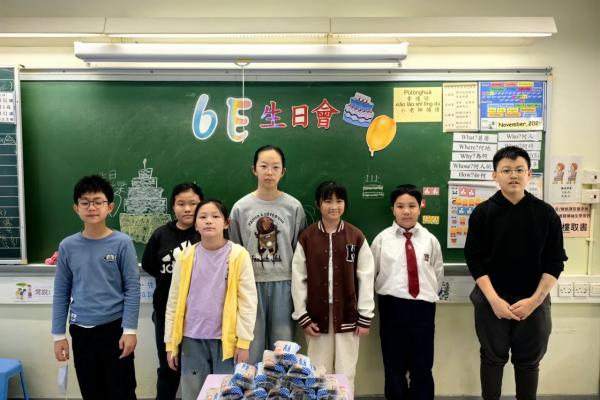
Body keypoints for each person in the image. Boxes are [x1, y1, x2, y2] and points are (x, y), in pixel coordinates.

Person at [465, 146, 567, 400]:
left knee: (529, 362)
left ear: (529, 174)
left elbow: (555, 262)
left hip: (534, 300)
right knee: (492, 358)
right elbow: (474, 260)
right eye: (506, 170)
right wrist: (494, 300)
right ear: (495, 176)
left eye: (519, 170)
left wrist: (534, 301)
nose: (513, 175)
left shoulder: (546, 213)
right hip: (491, 300)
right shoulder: (482, 213)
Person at [52, 175, 140, 400]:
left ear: (110, 207)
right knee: (91, 392)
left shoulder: (122, 243)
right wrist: (58, 335)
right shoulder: (67, 246)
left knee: (122, 392)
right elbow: (61, 293)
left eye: (98, 201)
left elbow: (132, 288)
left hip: (115, 330)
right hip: (81, 331)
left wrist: (130, 331)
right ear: (76, 208)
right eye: (85, 202)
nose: (91, 207)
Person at [164, 199, 257, 400]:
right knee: (194, 394)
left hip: (226, 340)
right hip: (191, 338)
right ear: (196, 225)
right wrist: (171, 344)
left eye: (215, 216)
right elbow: (173, 301)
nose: (208, 221)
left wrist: (244, 342)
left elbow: (248, 302)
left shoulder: (238, 255)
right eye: (203, 217)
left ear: (226, 223)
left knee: (226, 394)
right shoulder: (185, 256)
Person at [291, 181, 374, 390]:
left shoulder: (355, 236)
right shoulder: (307, 237)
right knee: (318, 371)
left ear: (345, 204)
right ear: (318, 204)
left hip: (348, 314)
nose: (334, 206)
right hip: (316, 317)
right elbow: (298, 278)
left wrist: (365, 316)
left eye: (339, 201)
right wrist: (302, 315)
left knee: (346, 371)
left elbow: (366, 276)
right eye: (328, 201)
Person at [229, 144, 306, 364]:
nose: (269, 172)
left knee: (282, 351)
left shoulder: (294, 207)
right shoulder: (240, 208)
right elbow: (235, 249)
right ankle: (252, 385)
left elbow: (299, 251)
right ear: (254, 169)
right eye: (264, 166)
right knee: (250, 348)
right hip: (250, 284)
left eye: (275, 167)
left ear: (283, 171)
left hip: (284, 284)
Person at [371, 184, 444, 400]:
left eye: (412, 206)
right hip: (392, 306)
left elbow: (437, 274)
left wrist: (425, 298)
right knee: (394, 365)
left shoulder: (430, 240)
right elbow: (372, 273)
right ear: (392, 209)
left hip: (423, 308)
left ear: (420, 208)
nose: (406, 211)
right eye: (400, 206)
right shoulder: (381, 240)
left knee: (423, 365)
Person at [142, 183, 204, 400]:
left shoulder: (207, 233)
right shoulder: (161, 235)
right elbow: (149, 265)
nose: (187, 209)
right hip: (165, 312)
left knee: (198, 368)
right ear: (173, 207)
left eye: (193, 204)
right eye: (181, 204)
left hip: (200, 315)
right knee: (169, 367)